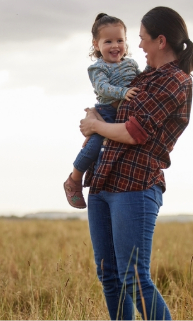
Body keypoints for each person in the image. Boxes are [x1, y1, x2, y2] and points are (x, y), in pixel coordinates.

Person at [78, 6, 193, 320]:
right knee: (109, 276)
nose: (138, 45)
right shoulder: (142, 77)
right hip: (104, 183)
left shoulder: (175, 81)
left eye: (142, 39)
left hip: (135, 187)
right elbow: (111, 108)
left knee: (133, 278)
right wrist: (94, 118)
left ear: (160, 41)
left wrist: (95, 126)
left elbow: (135, 131)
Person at [63, 13, 141, 209]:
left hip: (124, 113)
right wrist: (124, 92)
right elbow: (102, 88)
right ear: (96, 44)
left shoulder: (131, 64)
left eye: (119, 40)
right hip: (107, 111)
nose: (115, 46)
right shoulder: (97, 68)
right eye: (108, 41)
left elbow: (142, 80)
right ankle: (74, 179)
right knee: (96, 143)